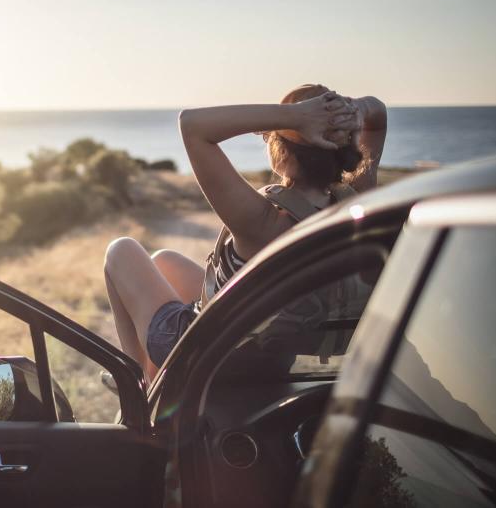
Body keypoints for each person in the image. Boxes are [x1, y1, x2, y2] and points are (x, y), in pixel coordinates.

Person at [103, 84, 387, 382]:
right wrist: (352, 111)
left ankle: (136, 389)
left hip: (207, 356)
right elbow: (378, 116)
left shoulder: (264, 221)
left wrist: (291, 116)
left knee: (120, 250)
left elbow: (192, 125)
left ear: (283, 155)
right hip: (273, 351)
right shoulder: (356, 204)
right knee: (163, 260)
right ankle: (154, 382)